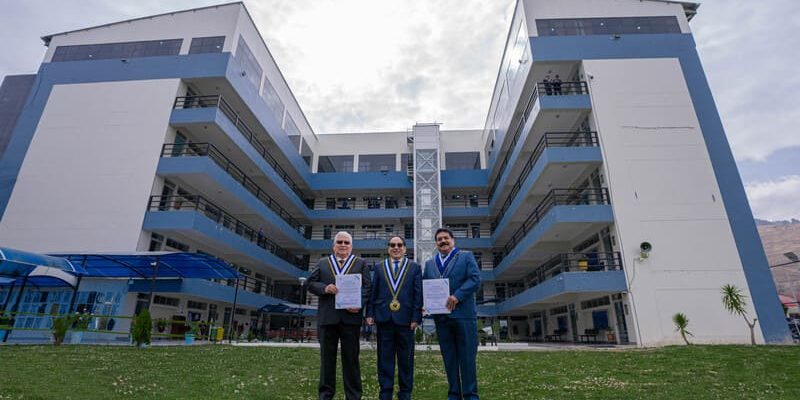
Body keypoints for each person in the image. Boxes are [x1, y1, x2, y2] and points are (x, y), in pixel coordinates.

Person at [308, 231, 371, 400]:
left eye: (346, 242)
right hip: (328, 319)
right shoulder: (322, 263)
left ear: (351, 246)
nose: (343, 245)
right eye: (340, 242)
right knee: (327, 361)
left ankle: (354, 396)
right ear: (333, 246)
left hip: (351, 319)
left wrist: (359, 303)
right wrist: (324, 288)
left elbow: (367, 287)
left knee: (351, 360)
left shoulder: (360, 263)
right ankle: (325, 395)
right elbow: (310, 283)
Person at [423, 227, 481, 400]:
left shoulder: (466, 256)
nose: (443, 241)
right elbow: (426, 286)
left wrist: (457, 296)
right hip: (442, 319)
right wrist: (425, 305)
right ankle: (454, 394)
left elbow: (475, 279)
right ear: (436, 243)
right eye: (439, 239)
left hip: (464, 316)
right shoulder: (430, 264)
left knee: (467, 359)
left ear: (453, 240)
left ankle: (470, 395)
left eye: (446, 238)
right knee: (449, 359)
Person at [366, 236, 422, 400]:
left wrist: (416, 317)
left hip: (406, 321)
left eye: (399, 245)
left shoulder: (414, 267)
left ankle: (405, 394)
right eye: (392, 245)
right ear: (388, 248)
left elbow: (418, 294)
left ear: (405, 248)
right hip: (384, 319)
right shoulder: (379, 267)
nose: (395, 247)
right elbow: (373, 292)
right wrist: (370, 313)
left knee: (406, 361)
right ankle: (385, 394)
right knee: (384, 359)